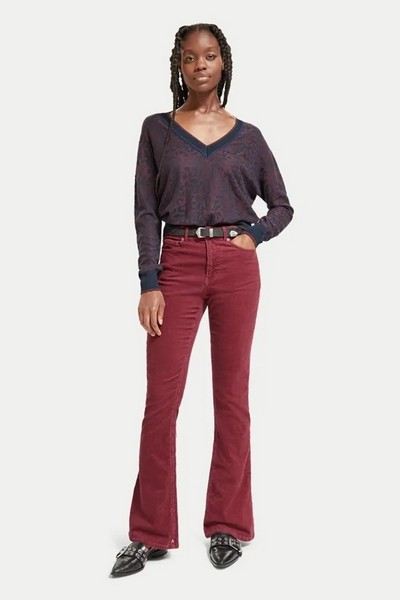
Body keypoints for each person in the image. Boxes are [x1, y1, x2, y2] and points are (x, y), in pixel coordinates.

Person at [110, 22, 294, 577]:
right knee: (161, 402)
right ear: (179, 66)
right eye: (190, 58)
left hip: (236, 268)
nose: (200, 65)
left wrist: (254, 236)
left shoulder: (249, 137)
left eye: (210, 56)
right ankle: (150, 533)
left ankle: (228, 525)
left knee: (232, 397)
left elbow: (282, 205)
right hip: (177, 263)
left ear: (224, 62)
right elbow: (145, 209)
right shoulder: (158, 130)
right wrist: (149, 280)